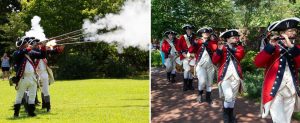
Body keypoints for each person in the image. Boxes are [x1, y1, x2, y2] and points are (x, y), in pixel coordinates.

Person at [254, 17, 300, 123]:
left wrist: (292, 47)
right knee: (280, 120)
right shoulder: (273, 47)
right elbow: (258, 63)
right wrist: (270, 46)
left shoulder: (296, 48)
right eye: (290, 31)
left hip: (291, 89)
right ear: (282, 34)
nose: (294, 32)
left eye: (295, 30)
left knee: (287, 120)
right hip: (275, 89)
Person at [212, 29, 245, 123]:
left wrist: (229, 48)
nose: (235, 39)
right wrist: (218, 50)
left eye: (236, 37)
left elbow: (240, 55)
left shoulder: (239, 47)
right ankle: (226, 114)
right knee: (229, 96)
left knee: (233, 97)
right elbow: (214, 60)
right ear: (227, 39)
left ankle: (230, 115)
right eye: (233, 38)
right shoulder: (221, 47)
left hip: (236, 76)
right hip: (224, 76)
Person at [12, 36, 46, 117]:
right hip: (22, 77)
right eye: (25, 44)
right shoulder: (17, 53)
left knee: (32, 95)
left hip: (32, 77)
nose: (26, 45)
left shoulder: (30, 53)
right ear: (22, 46)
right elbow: (19, 54)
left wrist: (43, 46)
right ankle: (16, 113)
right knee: (19, 96)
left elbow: (42, 55)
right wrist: (29, 48)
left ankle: (31, 112)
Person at [30, 38, 64, 112]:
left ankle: (47, 106)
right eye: (36, 44)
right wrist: (43, 46)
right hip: (35, 74)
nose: (37, 45)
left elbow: (51, 51)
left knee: (45, 91)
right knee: (31, 91)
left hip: (43, 74)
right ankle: (31, 107)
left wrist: (58, 49)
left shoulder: (42, 50)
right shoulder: (32, 51)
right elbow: (40, 52)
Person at [189, 27, 217, 104]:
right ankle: (199, 95)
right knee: (202, 81)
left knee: (209, 82)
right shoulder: (198, 41)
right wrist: (194, 44)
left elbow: (215, 48)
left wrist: (209, 44)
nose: (206, 34)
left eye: (207, 33)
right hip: (200, 65)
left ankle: (208, 97)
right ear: (202, 34)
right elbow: (190, 50)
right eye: (205, 33)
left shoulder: (212, 42)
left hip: (210, 65)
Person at [177, 24, 197, 91]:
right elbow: (178, 46)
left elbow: (196, 47)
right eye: (187, 30)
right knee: (186, 70)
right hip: (185, 55)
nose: (189, 31)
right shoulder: (182, 37)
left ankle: (190, 85)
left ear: (191, 30)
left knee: (191, 70)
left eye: (190, 30)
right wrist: (183, 54)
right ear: (186, 30)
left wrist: (193, 55)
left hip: (192, 56)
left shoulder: (194, 37)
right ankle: (185, 85)